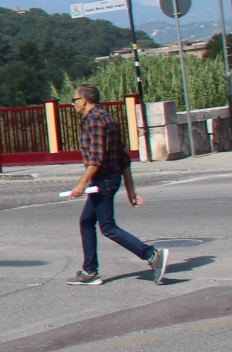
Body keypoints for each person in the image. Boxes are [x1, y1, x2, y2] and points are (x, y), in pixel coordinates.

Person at [68, 85, 168, 285]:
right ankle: (90, 271)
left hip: (103, 180)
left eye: (74, 100)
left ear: (84, 100)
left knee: (108, 227)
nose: (73, 104)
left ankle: (151, 255)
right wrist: (130, 188)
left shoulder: (95, 121)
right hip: (110, 178)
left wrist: (80, 185)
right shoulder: (108, 118)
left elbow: (95, 160)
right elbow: (124, 158)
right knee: (86, 221)